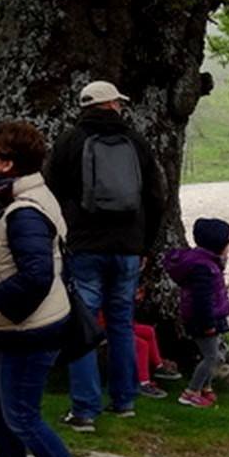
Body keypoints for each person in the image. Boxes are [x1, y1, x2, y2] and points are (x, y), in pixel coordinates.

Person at [0, 120, 102, 457]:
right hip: (6, 329)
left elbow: (37, 275)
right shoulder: (12, 198)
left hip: (28, 329)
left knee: (21, 415)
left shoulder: (24, 212)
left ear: (7, 164)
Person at [45, 80, 163, 431]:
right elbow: (156, 197)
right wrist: (145, 245)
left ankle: (85, 409)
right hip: (128, 248)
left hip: (85, 246)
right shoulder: (136, 142)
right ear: (111, 104)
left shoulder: (69, 141)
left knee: (83, 325)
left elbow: (52, 191)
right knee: (122, 323)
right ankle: (124, 400)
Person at [162, 217, 229, 409]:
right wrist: (208, 324)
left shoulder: (207, 263)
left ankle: (205, 387)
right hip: (203, 319)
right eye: (227, 245)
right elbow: (202, 300)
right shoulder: (203, 268)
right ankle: (191, 392)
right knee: (212, 357)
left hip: (211, 316)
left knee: (214, 354)